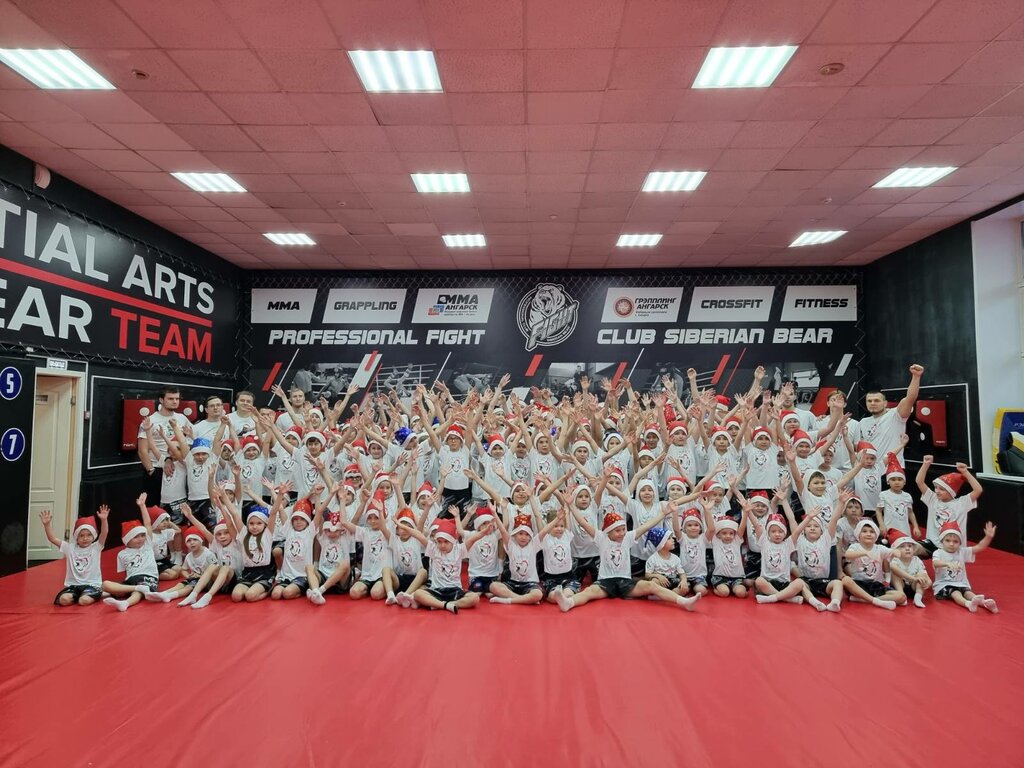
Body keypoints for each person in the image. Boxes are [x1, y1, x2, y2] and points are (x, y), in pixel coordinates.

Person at [552, 509, 701, 612]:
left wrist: (663, 513)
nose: (622, 533)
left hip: (625, 582)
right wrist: (570, 506)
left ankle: (684, 602)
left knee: (650, 585)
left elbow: (646, 526)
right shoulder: (601, 538)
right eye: (618, 531)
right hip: (605, 582)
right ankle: (568, 603)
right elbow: (584, 524)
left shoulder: (628, 538)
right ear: (608, 532)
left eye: (623, 529)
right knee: (589, 591)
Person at [412, 518, 483, 614]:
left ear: (452, 541)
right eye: (439, 541)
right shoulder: (434, 549)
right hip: (437, 589)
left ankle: (443, 604)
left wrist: (485, 531)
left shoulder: (459, 550)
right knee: (418, 594)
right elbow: (418, 535)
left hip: (455, 590)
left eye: (446, 542)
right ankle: (445, 605)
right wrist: (402, 526)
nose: (442, 545)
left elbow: (473, 538)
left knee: (474, 598)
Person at [102, 500, 163, 611]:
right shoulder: (122, 554)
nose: (140, 539)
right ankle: (136, 588)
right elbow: (126, 572)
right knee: (105, 584)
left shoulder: (147, 544)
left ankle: (125, 603)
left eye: (142, 535)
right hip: (131, 580)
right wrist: (125, 587)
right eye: (136, 537)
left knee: (137, 593)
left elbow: (147, 523)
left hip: (147, 577)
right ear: (127, 540)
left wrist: (142, 506)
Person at [42, 506, 109, 606]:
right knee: (64, 600)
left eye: (89, 535)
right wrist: (47, 525)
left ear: (93, 536)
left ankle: (95, 593)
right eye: (81, 535)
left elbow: (104, 532)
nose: (85, 538)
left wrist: (104, 520)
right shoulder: (70, 548)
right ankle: (79, 595)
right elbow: (52, 539)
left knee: (84, 601)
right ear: (76, 537)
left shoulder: (96, 547)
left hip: (92, 585)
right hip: (74, 586)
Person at [916, 457, 983, 557]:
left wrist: (965, 472)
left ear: (951, 492)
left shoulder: (962, 503)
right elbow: (919, 482)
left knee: (945, 566)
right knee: (911, 548)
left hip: (951, 546)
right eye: (936, 488)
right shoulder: (933, 499)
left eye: (942, 489)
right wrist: (925, 464)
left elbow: (978, 490)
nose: (937, 491)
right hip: (932, 543)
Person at [231, 487, 288, 603]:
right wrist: (223, 498)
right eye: (251, 523)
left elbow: (273, 513)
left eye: (259, 523)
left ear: (264, 524)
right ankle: (253, 589)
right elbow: (235, 514)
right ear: (247, 524)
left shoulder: (267, 534)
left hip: (264, 573)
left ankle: (268, 590)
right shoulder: (244, 534)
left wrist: (280, 495)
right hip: (247, 573)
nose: (255, 526)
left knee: (250, 596)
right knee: (236, 596)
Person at [859, 365, 924, 462]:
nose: (872, 403)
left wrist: (916, 376)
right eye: (869, 401)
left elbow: (910, 398)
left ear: (885, 403)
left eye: (876, 400)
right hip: (871, 469)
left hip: (893, 469)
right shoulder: (863, 422)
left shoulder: (895, 415)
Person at [932, 521, 998, 613]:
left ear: (960, 543)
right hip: (944, 584)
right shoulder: (938, 552)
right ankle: (968, 604)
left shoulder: (961, 552)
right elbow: (935, 563)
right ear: (941, 541)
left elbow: (979, 547)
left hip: (961, 583)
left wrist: (988, 537)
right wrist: (947, 563)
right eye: (948, 540)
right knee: (956, 593)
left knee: (968, 593)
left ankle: (984, 603)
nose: (951, 544)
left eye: (955, 541)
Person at [137, 386, 190, 501]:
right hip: (157, 467)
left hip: (179, 468)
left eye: (177, 398)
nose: (175, 401)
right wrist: (151, 471)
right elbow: (142, 450)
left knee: (178, 505)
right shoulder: (150, 420)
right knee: (155, 506)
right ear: (161, 400)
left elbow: (190, 441)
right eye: (170, 398)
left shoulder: (182, 418)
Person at [144, 525, 218, 603]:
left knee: (189, 587)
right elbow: (183, 570)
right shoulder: (189, 556)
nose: (192, 543)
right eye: (189, 541)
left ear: (201, 540)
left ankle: (170, 596)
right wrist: (188, 576)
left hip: (207, 580)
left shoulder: (208, 554)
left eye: (195, 539)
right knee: (180, 584)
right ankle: (164, 593)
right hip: (195, 578)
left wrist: (201, 576)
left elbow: (215, 570)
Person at [840, 519, 905, 609]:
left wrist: (896, 552)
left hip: (876, 585)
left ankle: (866, 600)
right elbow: (848, 555)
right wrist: (864, 553)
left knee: (901, 597)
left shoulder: (880, 548)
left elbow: (893, 551)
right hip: (859, 584)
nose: (868, 534)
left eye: (872, 532)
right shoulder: (855, 546)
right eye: (864, 531)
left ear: (876, 536)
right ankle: (873, 599)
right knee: (845, 580)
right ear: (858, 535)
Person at [876, 453, 919, 540]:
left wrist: (916, 526)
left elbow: (910, 512)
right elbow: (878, 511)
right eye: (893, 479)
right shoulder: (884, 495)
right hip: (889, 529)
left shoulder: (907, 496)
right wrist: (881, 525)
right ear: (888, 481)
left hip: (904, 530)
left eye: (900, 480)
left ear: (904, 482)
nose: (897, 482)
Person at [887, 529, 930, 608]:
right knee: (894, 574)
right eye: (902, 546)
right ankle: (901, 594)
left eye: (910, 546)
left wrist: (927, 582)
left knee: (921, 576)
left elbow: (924, 574)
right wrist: (913, 578)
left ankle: (918, 597)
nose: (907, 548)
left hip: (913, 587)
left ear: (914, 549)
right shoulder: (895, 559)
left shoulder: (916, 559)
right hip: (899, 586)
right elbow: (894, 568)